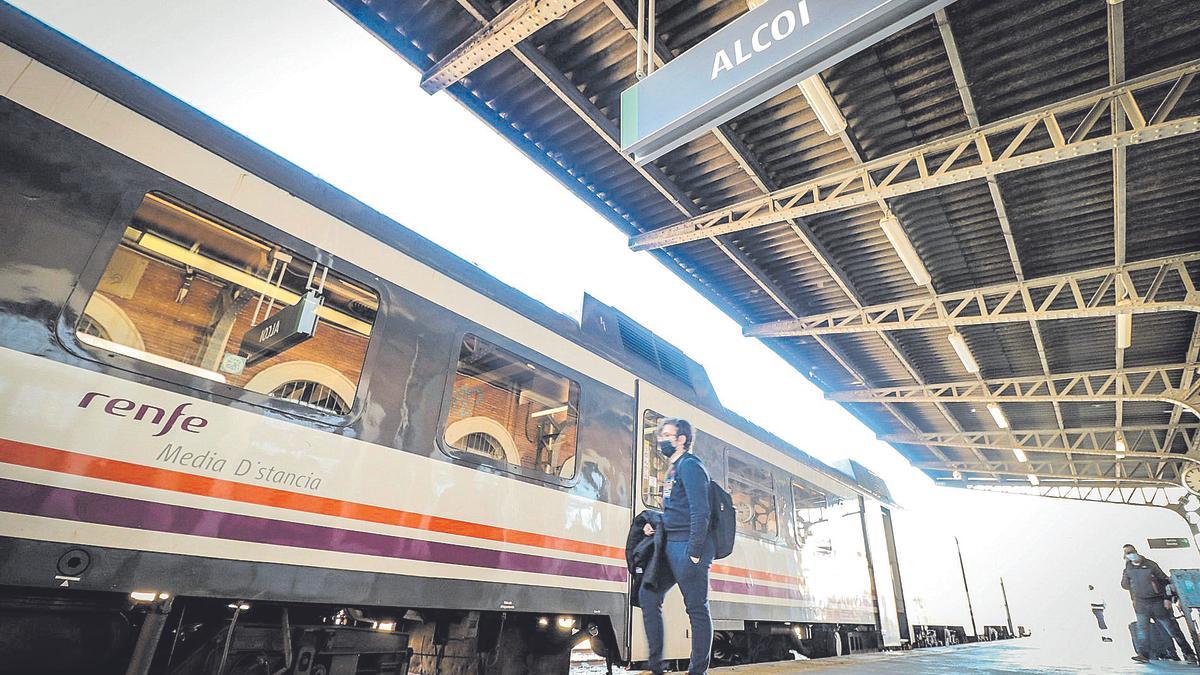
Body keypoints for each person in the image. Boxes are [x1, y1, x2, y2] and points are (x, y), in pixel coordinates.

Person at [640, 418, 714, 675]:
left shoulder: (691, 466)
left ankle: (697, 671)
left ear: (681, 439)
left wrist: (694, 552)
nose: (661, 439)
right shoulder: (673, 470)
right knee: (648, 597)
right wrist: (656, 524)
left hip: (688, 547)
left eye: (667, 435)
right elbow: (676, 510)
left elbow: (700, 510)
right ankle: (656, 667)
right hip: (670, 544)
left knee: (696, 609)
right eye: (661, 435)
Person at [1122, 544, 1197, 664]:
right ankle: (1143, 655)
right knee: (1142, 631)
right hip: (1141, 604)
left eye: (1131, 552)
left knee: (1172, 630)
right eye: (1127, 553)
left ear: (1136, 551)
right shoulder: (1128, 568)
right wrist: (1126, 573)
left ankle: (1189, 653)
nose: (1130, 555)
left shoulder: (1150, 565)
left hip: (1158, 602)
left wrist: (1167, 598)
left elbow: (1164, 580)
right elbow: (1125, 585)